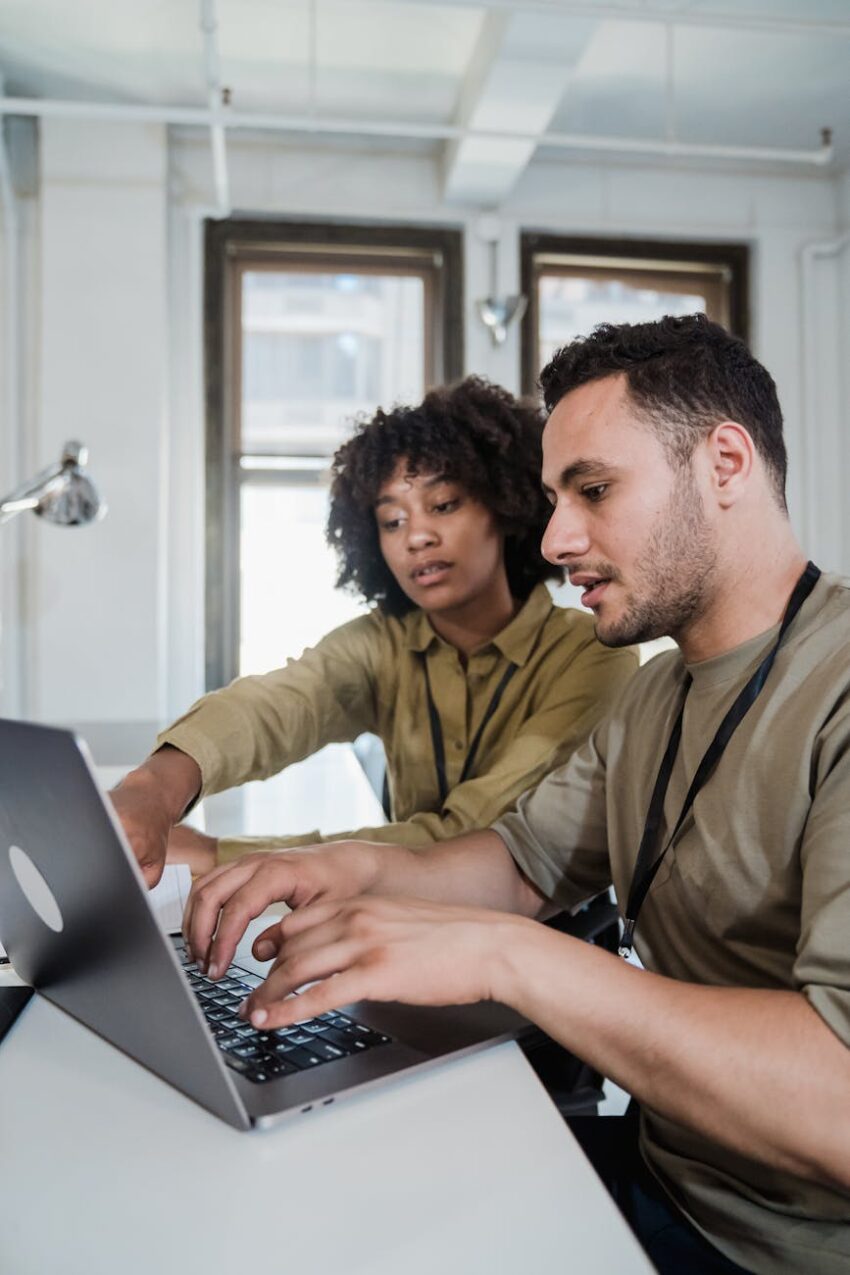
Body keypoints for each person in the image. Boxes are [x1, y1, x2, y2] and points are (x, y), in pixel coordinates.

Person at [176, 316, 850, 1275]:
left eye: (595, 490)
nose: (559, 535)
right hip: (663, 1179)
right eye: (550, 497)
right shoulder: (657, 694)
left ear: (726, 464)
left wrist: (506, 955)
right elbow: (515, 863)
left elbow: (839, 1108)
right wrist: (331, 868)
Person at [112, 376, 636, 886]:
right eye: (392, 521)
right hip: (396, 930)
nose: (417, 537)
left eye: (444, 505)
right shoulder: (382, 642)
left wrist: (219, 854)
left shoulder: (591, 655)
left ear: (504, 506)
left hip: (543, 946)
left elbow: (472, 837)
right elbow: (278, 706)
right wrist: (155, 785)